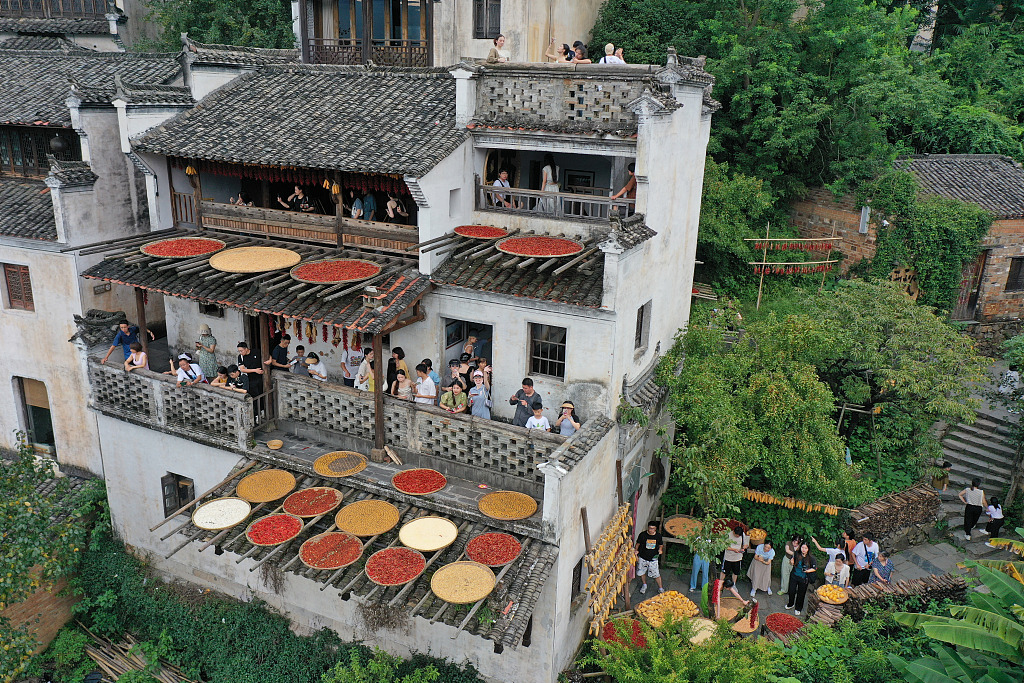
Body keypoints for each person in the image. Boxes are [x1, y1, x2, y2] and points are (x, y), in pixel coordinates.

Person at [785, 542, 816, 615]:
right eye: (802, 547)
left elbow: (814, 568)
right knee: (791, 590)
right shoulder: (796, 553)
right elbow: (791, 562)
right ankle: (791, 603)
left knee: (801, 594)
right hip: (794, 575)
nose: (804, 550)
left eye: (805, 548)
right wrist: (791, 562)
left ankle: (798, 607)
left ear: (808, 549)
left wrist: (808, 571)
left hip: (804, 578)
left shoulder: (811, 558)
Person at [635, 521, 664, 595]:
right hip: (643, 557)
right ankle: (644, 584)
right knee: (641, 572)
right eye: (650, 528)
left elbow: (661, 544)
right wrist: (636, 551)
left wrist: (660, 549)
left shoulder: (658, 536)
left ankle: (660, 588)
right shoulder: (642, 535)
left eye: (653, 529)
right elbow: (638, 544)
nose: (651, 530)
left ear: (655, 529)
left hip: (653, 558)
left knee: (656, 574)